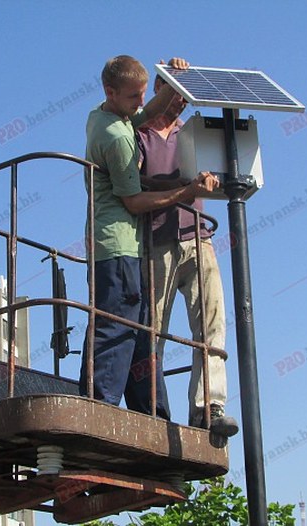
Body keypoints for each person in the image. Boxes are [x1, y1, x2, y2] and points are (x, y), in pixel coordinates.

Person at [79, 55, 219, 421]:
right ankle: (98, 410)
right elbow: (135, 201)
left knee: (142, 334)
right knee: (116, 328)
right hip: (118, 245)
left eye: (143, 94)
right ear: (110, 92)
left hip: (129, 247)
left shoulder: (103, 115)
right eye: (134, 96)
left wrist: (172, 83)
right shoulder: (117, 137)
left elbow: (146, 112)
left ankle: (152, 413)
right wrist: (187, 192)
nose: (141, 103)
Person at [135, 74, 238, 437]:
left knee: (212, 324)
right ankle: (151, 407)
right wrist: (184, 186)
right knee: (153, 329)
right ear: (157, 91)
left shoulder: (192, 135)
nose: (180, 101)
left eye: (185, 96)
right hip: (156, 241)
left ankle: (209, 406)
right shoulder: (139, 135)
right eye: (174, 92)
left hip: (198, 236)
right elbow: (135, 183)